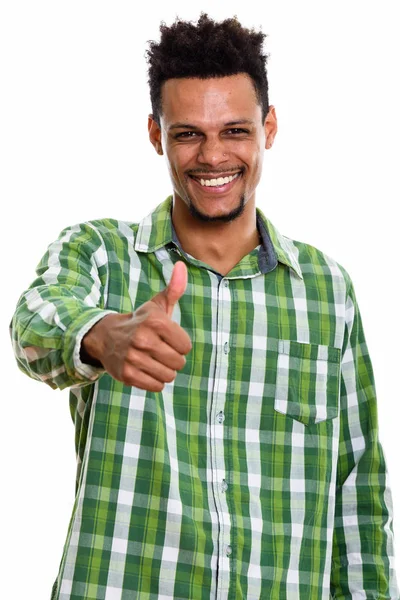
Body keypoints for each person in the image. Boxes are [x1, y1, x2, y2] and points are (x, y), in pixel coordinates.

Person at [9, 12, 399, 600]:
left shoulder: (327, 288)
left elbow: (358, 492)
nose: (212, 156)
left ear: (268, 127)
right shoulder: (100, 253)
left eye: (234, 131)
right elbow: (33, 323)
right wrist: (100, 334)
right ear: (154, 134)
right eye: (188, 133)